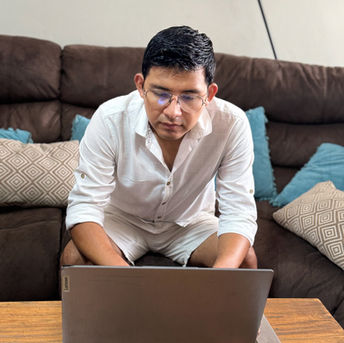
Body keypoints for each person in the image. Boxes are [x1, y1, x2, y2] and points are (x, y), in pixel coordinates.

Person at [61, 25, 258, 269]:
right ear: (141, 86)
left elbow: (239, 211)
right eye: (161, 94)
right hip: (123, 219)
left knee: (246, 261)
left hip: (190, 222)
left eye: (189, 96)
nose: (173, 112)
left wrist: (223, 274)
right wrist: (125, 277)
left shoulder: (232, 123)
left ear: (210, 93)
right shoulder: (109, 117)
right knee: (74, 260)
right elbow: (85, 207)